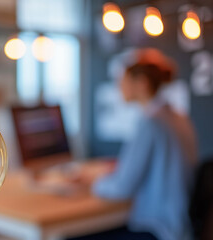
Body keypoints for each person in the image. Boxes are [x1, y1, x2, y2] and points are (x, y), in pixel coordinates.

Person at [76, 49, 197, 240]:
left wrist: (93, 183)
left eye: (122, 80)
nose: (119, 86)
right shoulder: (178, 117)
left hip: (157, 228)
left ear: (141, 83)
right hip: (179, 224)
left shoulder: (151, 123)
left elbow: (124, 186)